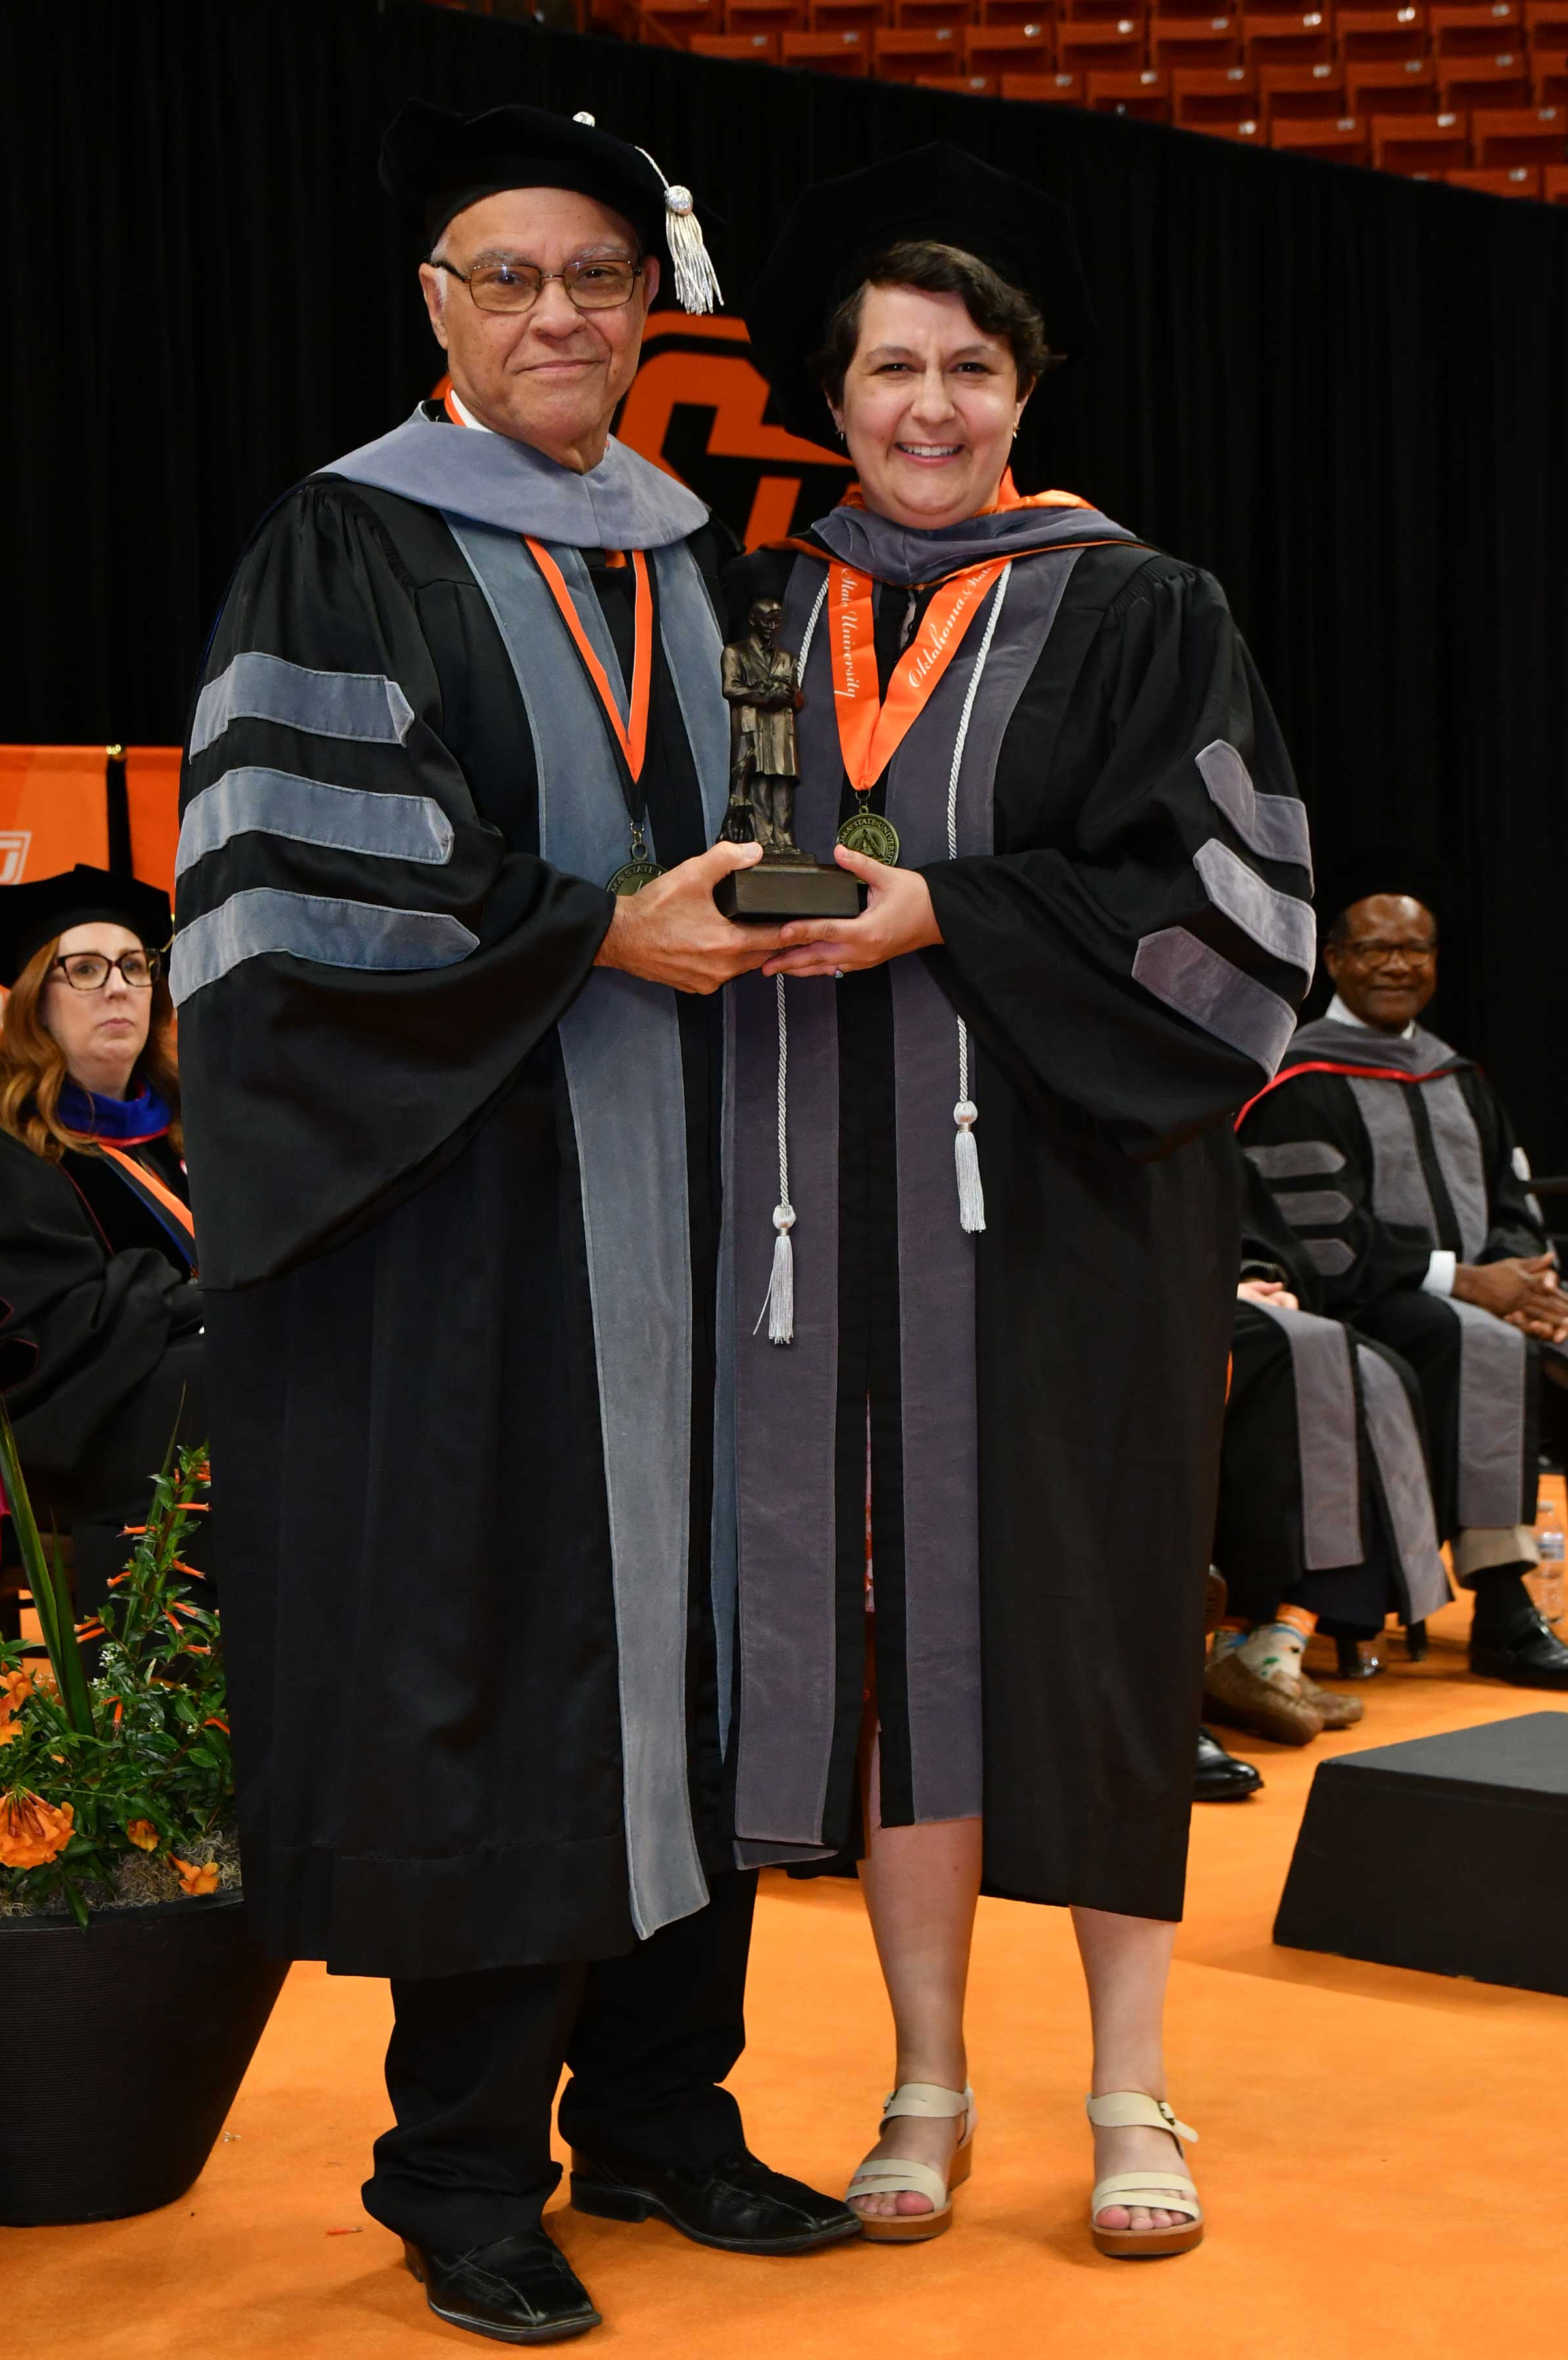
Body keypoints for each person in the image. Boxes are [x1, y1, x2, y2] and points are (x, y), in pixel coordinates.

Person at [174, 105, 850, 2348]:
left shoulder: (683, 551)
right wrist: (588, 943)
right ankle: (458, 2165)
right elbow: (301, 893)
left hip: (703, 1189)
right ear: (437, 306)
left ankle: (664, 2105)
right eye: (511, 278)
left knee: (715, 1649)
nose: (561, 316)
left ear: (649, 310)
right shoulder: (344, 542)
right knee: (514, 1651)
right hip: (475, 1214)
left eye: (597, 279)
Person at [726, 145, 1312, 2258]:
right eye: (893, 367)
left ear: (1025, 384)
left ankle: (1132, 2082)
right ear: (837, 387)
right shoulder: (757, 610)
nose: (931, 408)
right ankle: (924, 2071)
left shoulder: (1143, 606)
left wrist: (939, 915)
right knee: (892, 1640)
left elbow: (1237, 920)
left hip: (1071, 1195)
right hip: (818, 1204)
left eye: (970, 367)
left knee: (1083, 1618)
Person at [1238, 859, 1568, 1689]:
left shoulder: (1460, 1074)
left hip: (1468, 1299)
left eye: (1416, 950)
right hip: (1364, 1303)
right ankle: (1501, 1601)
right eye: (1377, 949)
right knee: (1472, 1334)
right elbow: (1323, 1240)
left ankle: (1508, 1592)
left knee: (1507, 1329)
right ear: (1338, 960)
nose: (1398, 965)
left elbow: (1511, 1198)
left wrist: (1521, 1278)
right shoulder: (1301, 1077)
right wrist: (1464, 1281)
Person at [0, 865, 202, 1605]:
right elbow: (35, 1351)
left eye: (134, 965)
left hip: (180, 1396)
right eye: (84, 969)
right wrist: (191, 1292)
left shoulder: (187, 1132)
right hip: (70, 1438)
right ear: (37, 1000)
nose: (117, 986)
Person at [1207, 1153, 1449, 1743]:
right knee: (1303, 1357)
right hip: (1150, 1303)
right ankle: (1246, 1645)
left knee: (1379, 1371)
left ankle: (1275, 1643)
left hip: (1230, 1300)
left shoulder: (1199, 1117)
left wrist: (1261, 1275)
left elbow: (1251, 1225)